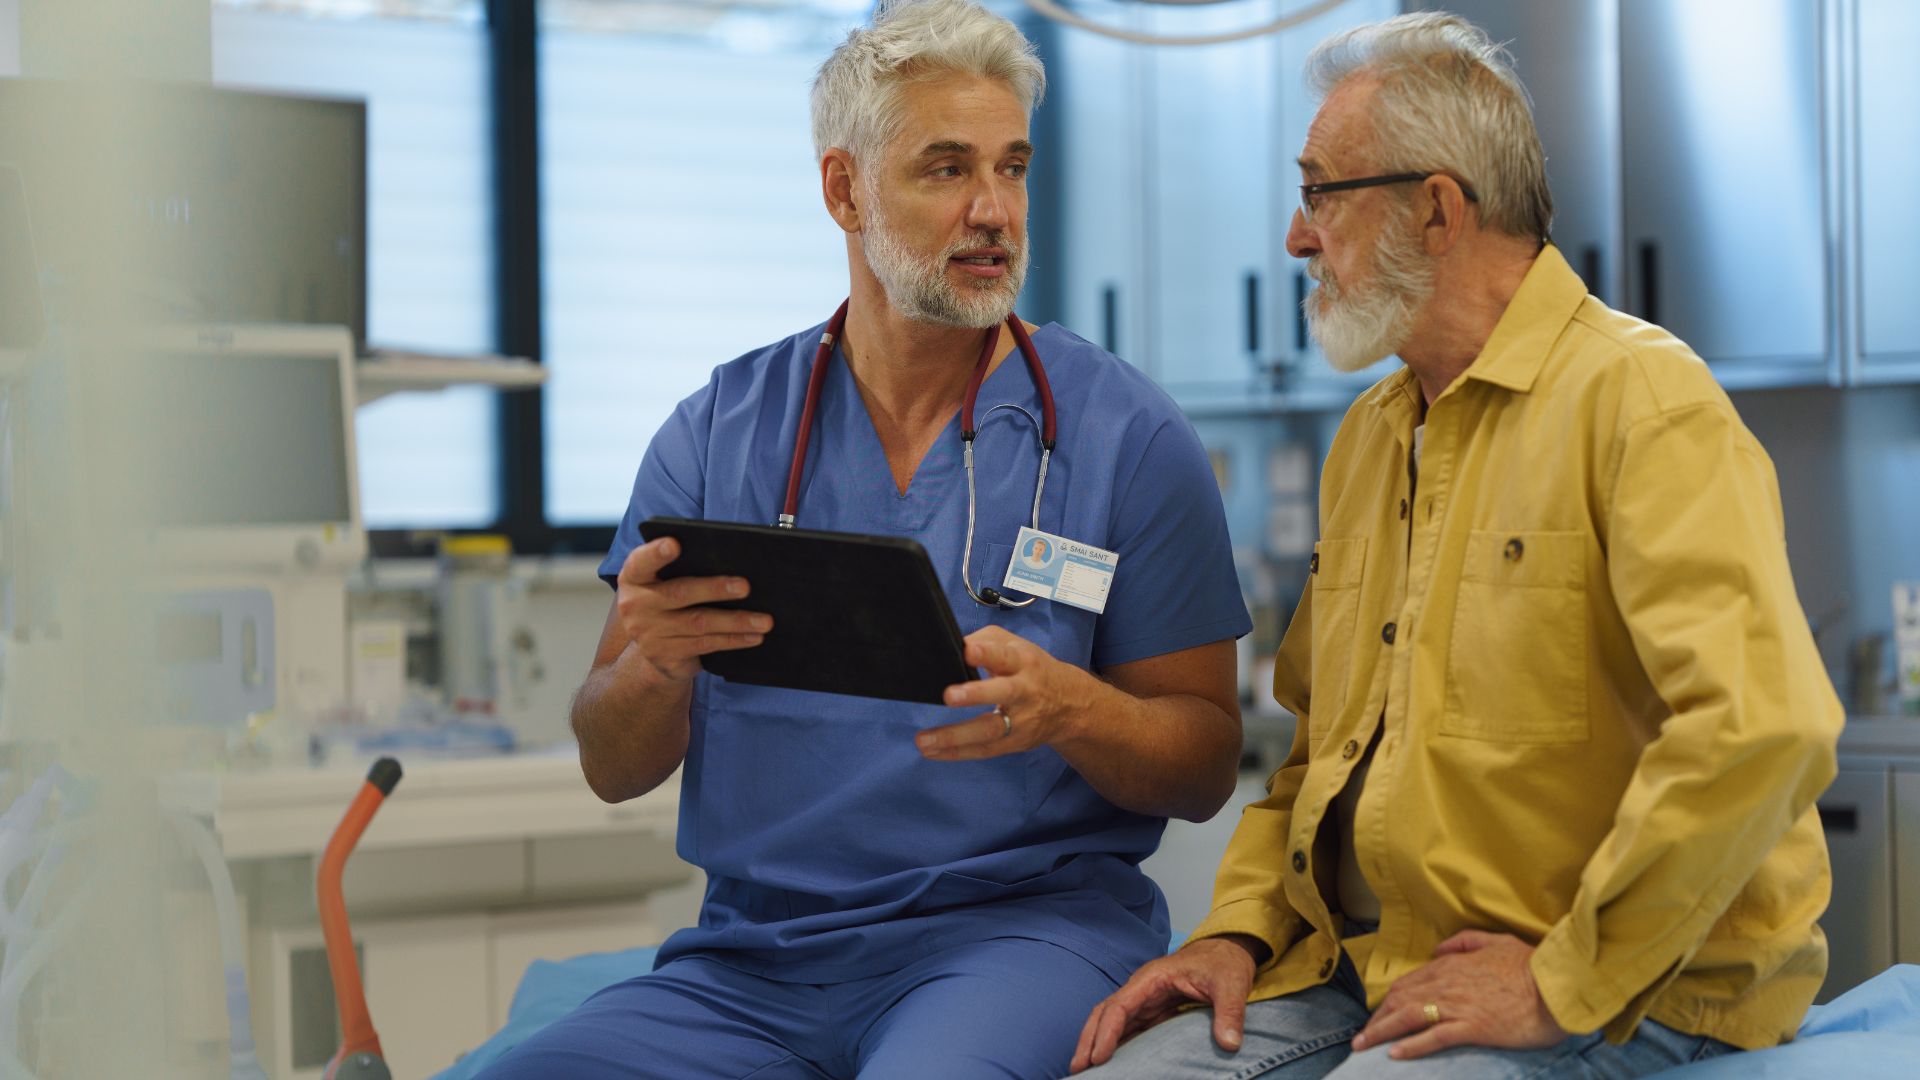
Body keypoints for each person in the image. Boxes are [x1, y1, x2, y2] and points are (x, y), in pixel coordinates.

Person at [479, 2, 1251, 1077]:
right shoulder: (719, 433)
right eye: (947, 169)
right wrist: (654, 664)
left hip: (1016, 940)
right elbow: (612, 767)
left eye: (1012, 167)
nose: (994, 211)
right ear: (844, 189)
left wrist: (1073, 711)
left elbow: (1205, 764)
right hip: (754, 962)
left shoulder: (1128, 438)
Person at [1071, 12, 1843, 1080]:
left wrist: (1562, 979)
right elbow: (1315, 760)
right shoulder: (1372, 437)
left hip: (1625, 990)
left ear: (1436, 209)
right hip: (1373, 967)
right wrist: (1237, 932)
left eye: (1319, 194)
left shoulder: (1642, 402)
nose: (1296, 237)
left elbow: (1763, 729)